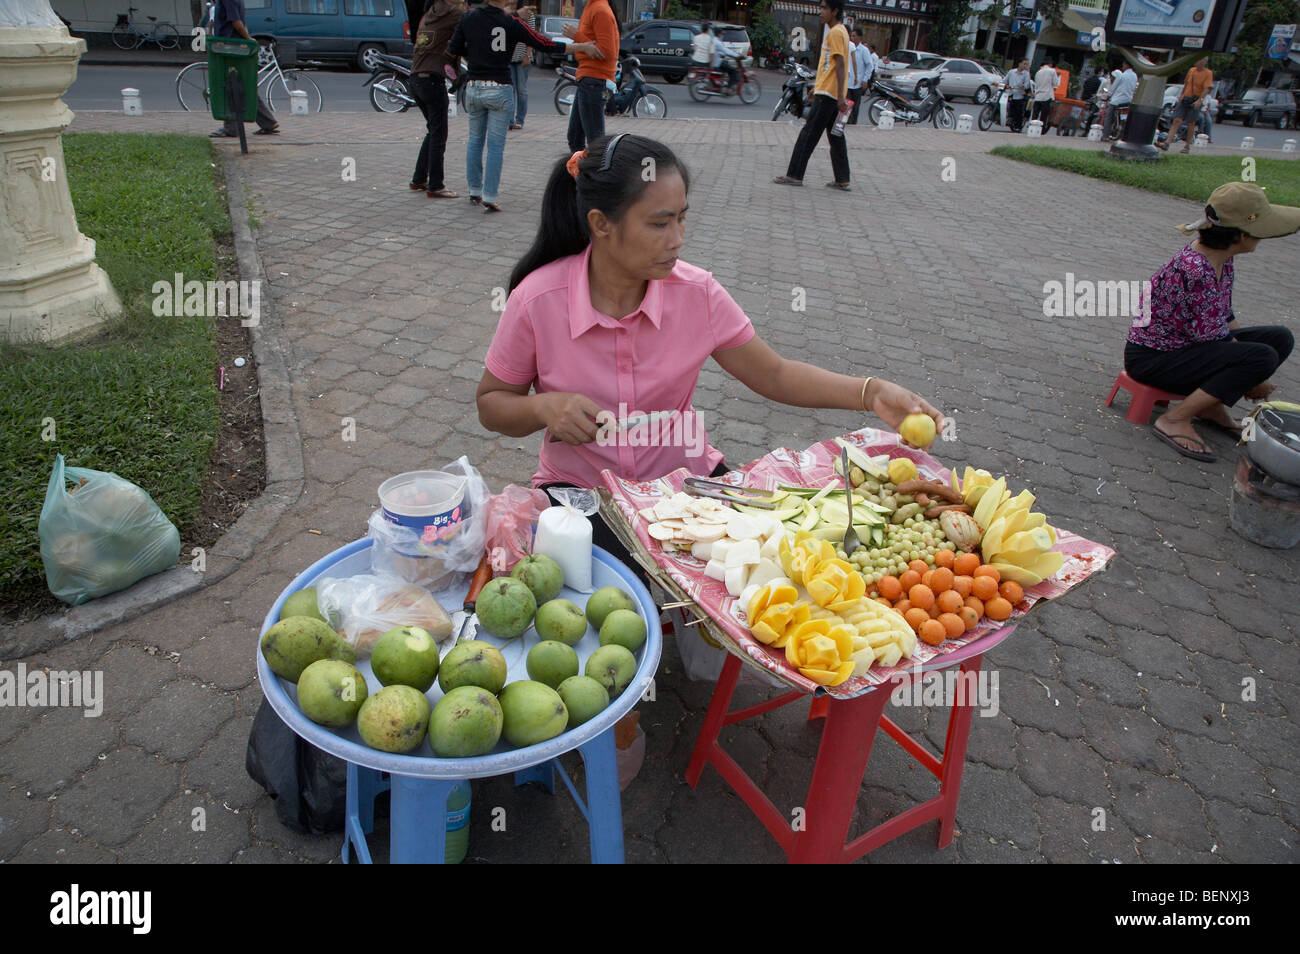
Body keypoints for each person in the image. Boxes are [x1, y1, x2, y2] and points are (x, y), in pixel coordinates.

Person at [476, 134, 944, 563]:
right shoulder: (538, 300)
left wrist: (871, 393)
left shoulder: (696, 293)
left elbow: (774, 375)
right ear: (601, 224)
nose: (677, 240)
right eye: (659, 223)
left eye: (681, 219)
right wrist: (543, 408)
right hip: (581, 496)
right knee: (606, 605)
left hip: (685, 488)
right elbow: (492, 405)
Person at [1124, 182, 1298, 462]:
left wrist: (1250, 369)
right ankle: (1175, 419)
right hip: (1154, 359)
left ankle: (1208, 405)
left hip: (1190, 347)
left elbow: (1225, 316)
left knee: (1278, 339)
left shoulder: (1221, 259)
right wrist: (1256, 376)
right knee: (1260, 357)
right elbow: (1215, 338)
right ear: (1240, 234)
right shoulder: (1196, 270)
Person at [447, 0, 600, 212]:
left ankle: (474, 189)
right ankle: (489, 194)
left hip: (474, 87)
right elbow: (544, 44)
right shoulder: (512, 22)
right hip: (499, 87)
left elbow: (453, 48)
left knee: (474, 141)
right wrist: (581, 46)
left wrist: (475, 52)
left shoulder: (469, 18)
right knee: (495, 146)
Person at [773, 0, 850, 191]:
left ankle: (794, 175)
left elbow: (840, 65)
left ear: (835, 11)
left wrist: (840, 96)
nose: (820, 12)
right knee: (836, 136)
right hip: (828, 91)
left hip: (830, 95)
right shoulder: (839, 32)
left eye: (824, 8)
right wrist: (817, 86)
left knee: (808, 134)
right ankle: (843, 179)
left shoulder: (836, 32)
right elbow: (829, 66)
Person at [409, 0, 466, 199]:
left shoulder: (429, 14)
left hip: (416, 77)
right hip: (432, 80)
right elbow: (474, 24)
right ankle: (436, 185)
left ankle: (418, 179)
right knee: (439, 135)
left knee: (433, 131)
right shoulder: (454, 14)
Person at [209, 0, 277, 138]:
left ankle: (231, 128)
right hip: (233, 45)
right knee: (244, 85)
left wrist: (248, 39)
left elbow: (236, 22)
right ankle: (267, 122)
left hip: (229, 46)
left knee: (230, 85)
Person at [561, 0, 618, 152]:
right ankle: (580, 175)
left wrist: (577, 36)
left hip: (594, 80)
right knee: (575, 138)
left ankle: (597, 175)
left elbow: (607, 52)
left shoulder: (600, 10)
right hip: (587, 78)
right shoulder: (591, 7)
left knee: (596, 142)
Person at [1161, 56, 1212, 155]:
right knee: (1177, 120)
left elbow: (1207, 88)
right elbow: (1186, 84)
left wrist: (1200, 100)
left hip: (1195, 100)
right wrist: (1181, 96)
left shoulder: (1208, 73)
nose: (1196, 62)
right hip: (1185, 98)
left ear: (1204, 62)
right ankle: (1167, 142)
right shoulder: (1191, 70)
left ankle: (1187, 146)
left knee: (1190, 123)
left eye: (1198, 60)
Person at [508, 3, 537, 130]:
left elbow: (531, 36)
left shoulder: (528, 14)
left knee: (521, 90)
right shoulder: (508, 13)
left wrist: (527, 55)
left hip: (522, 57)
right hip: (509, 57)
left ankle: (520, 120)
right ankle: (509, 120)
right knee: (509, 89)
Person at [1106, 62, 1137, 140]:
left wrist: (1108, 95)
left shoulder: (1122, 75)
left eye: (1123, 65)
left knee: (1108, 117)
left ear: (1126, 65)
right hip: (1128, 101)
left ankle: (1105, 135)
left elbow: (1114, 86)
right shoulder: (1135, 76)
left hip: (1117, 100)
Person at [847, 27, 873, 124]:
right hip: (847, 81)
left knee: (855, 105)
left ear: (859, 37)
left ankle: (853, 123)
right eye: (851, 36)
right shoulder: (849, 47)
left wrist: (865, 79)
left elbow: (869, 66)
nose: (852, 38)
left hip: (857, 83)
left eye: (854, 36)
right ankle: (845, 122)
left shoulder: (864, 50)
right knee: (846, 104)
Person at [1005, 58, 1032, 133]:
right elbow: (1005, 80)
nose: (1025, 65)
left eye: (1027, 64)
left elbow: (1027, 84)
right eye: (1024, 63)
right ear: (1019, 64)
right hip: (1009, 93)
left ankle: (1017, 126)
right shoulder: (1011, 72)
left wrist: (1022, 86)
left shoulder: (1026, 74)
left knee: (1018, 110)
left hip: (1019, 95)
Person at [1031, 58, 1058, 128]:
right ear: (1050, 64)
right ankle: (1042, 129)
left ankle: (1032, 127)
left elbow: (1036, 83)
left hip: (1037, 96)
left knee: (1035, 115)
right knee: (1044, 115)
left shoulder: (1038, 72)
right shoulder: (1052, 71)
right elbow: (1055, 83)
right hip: (1047, 96)